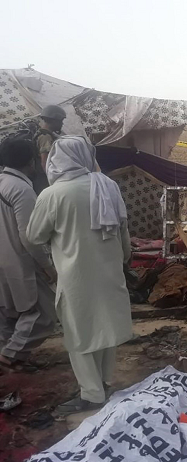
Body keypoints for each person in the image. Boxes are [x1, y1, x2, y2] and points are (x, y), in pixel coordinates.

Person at [27, 135, 132, 414]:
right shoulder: (107, 185)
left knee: (80, 334)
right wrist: (123, 259)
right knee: (105, 328)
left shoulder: (53, 194)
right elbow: (123, 230)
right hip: (109, 271)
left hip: (77, 277)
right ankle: (104, 383)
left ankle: (92, 394)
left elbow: (35, 235)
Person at [0, 139, 57, 372]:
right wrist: (47, 266)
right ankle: (11, 354)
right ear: (30, 161)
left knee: (8, 312)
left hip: (4, 258)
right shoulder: (21, 189)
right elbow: (29, 235)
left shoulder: (3, 182)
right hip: (20, 259)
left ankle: (8, 354)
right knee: (43, 313)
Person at [32, 105, 66, 195]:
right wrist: (53, 181)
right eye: (60, 121)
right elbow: (45, 162)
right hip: (44, 179)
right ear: (53, 120)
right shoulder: (45, 137)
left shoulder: (45, 134)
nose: (62, 124)